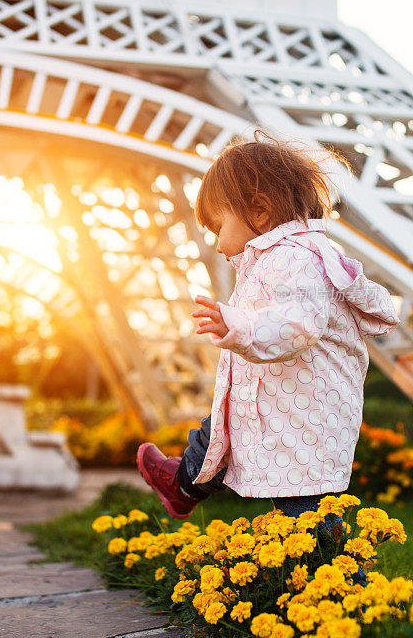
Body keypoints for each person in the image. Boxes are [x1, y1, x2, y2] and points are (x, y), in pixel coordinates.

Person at [136, 130, 400, 567]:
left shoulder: (295, 258)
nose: (218, 244)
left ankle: (331, 588)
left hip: (302, 418)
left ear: (259, 208)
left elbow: (295, 326)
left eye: (219, 226)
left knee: (306, 514)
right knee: (230, 435)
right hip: (282, 403)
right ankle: (184, 480)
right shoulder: (282, 257)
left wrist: (236, 327)